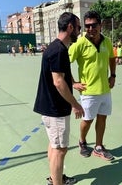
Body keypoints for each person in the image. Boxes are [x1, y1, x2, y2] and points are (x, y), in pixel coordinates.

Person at [33, 12, 84, 185]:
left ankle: (55, 178)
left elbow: (61, 73)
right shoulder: (59, 50)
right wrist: (75, 104)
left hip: (50, 107)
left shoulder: (56, 47)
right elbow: (58, 81)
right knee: (60, 150)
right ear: (70, 27)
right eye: (78, 27)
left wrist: (74, 83)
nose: (80, 31)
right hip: (56, 109)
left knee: (54, 146)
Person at [69, 10, 116, 161]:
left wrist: (113, 75)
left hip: (105, 90)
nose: (90, 29)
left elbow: (112, 58)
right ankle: (82, 142)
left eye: (93, 25)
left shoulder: (107, 41)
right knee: (88, 120)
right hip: (88, 91)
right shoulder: (80, 43)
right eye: (87, 26)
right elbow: (63, 63)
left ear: (100, 25)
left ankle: (99, 146)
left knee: (102, 119)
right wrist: (73, 82)